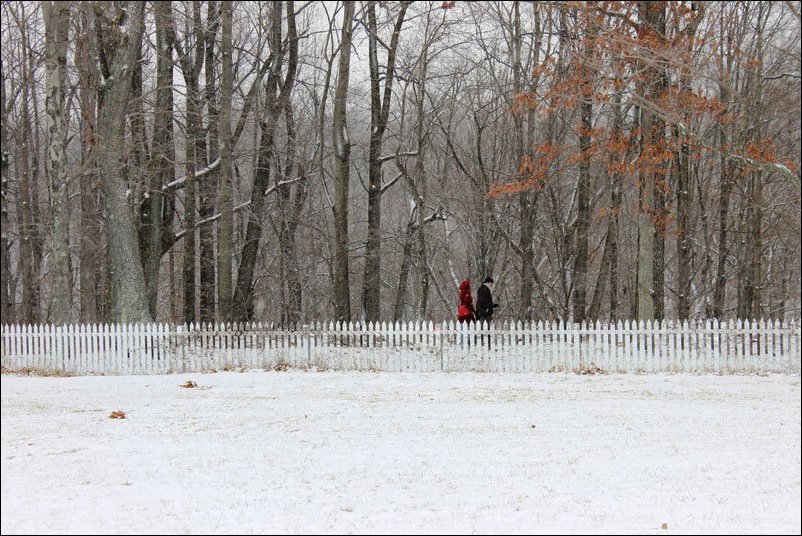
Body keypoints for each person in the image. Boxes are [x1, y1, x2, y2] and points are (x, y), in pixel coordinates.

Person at [457, 279, 476, 349]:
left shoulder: (461, 293)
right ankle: (468, 344)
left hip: (461, 314)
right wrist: (472, 311)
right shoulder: (467, 293)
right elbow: (467, 303)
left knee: (462, 330)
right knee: (469, 328)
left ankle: (462, 344)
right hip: (467, 314)